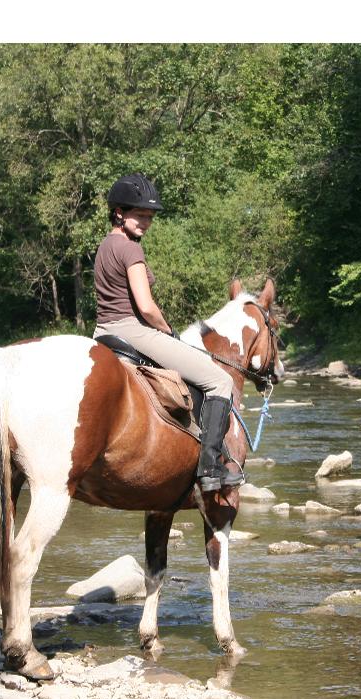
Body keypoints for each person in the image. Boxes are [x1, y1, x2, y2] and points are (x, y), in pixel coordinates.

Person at [92, 173, 241, 491]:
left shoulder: (105, 245)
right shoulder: (131, 250)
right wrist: (168, 331)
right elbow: (145, 307)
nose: (146, 222)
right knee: (220, 381)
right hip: (133, 330)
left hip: (102, 332)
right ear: (119, 212)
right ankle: (211, 468)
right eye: (140, 214)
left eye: (150, 217)